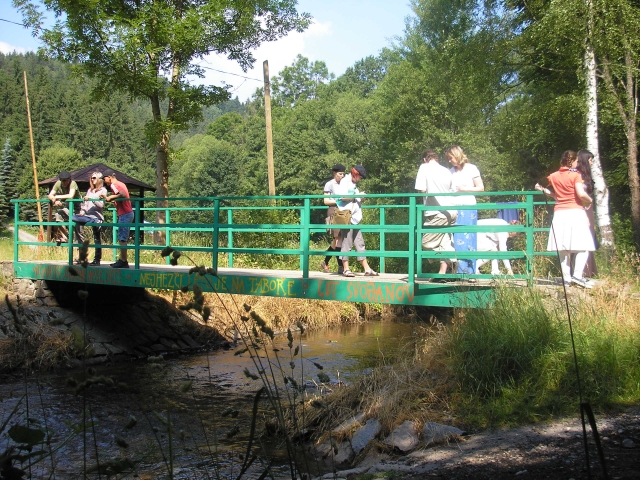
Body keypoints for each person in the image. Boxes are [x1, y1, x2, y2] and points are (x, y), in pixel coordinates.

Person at [535, 150, 595, 288]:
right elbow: (581, 194)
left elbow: (538, 185)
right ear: (572, 161)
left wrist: (553, 195)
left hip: (560, 213)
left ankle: (567, 280)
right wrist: (589, 200)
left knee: (563, 249)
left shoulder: (554, 176)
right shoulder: (575, 175)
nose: (577, 163)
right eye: (576, 161)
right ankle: (578, 276)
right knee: (584, 246)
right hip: (575, 212)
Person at [415, 149, 458, 282]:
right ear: (436, 158)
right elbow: (453, 190)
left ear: (425, 159)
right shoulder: (446, 170)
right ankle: (443, 273)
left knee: (426, 243)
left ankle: (452, 260)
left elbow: (421, 189)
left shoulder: (424, 167)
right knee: (445, 243)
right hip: (452, 211)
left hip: (437, 212)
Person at [445, 145, 484, 277]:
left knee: (469, 239)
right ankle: (458, 272)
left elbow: (481, 188)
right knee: (456, 239)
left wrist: (464, 189)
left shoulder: (472, 168)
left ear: (457, 156)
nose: (449, 161)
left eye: (451, 158)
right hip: (455, 207)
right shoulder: (451, 171)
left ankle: (470, 272)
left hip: (468, 206)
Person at [335, 165, 378, 277]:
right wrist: (356, 196)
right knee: (347, 243)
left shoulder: (353, 184)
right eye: (360, 177)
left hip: (355, 218)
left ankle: (367, 269)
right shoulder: (344, 182)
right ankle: (346, 269)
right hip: (347, 217)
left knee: (360, 243)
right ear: (355, 174)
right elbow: (341, 197)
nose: (360, 179)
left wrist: (361, 197)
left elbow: (355, 198)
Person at [570, 150, 598, 277]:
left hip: (588, 209)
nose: (591, 163)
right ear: (585, 161)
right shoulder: (576, 175)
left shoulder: (586, 176)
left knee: (589, 237)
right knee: (581, 239)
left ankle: (588, 270)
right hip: (581, 208)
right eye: (590, 160)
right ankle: (580, 272)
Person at [72, 172, 107, 266]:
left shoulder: (103, 190)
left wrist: (91, 199)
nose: (92, 179)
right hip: (87, 216)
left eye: (94, 178)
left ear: (99, 179)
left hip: (96, 217)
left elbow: (101, 205)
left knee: (97, 239)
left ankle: (97, 260)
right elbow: (85, 205)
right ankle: (81, 254)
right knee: (73, 218)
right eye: (91, 178)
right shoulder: (89, 190)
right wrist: (82, 211)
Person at [100, 168, 133, 269]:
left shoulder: (114, 185)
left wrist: (110, 197)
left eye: (104, 179)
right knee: (122, 237)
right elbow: (122, 196)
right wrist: (113, 200)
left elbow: (122, 194)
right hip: (127, 213)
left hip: (125, 214)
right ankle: (122, 260)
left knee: (122, 238)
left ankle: (123, 261)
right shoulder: (121, 183)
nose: (104, 181)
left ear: (109, 177)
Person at [320, 163, 346, 274]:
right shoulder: (329, 184)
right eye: (340, 174)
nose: (342, 176)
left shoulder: (344, 183)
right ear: (334, 173)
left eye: (343, 174)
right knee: (338, 239)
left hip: (343, 212)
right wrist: (338, 200)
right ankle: (340, 266)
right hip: (334, 210)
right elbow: (326, 201)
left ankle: (325, 262)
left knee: (338, 239)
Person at [47, 170, 83, 245]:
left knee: (78, 230)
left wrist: (56, 196)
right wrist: (55, 201)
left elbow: (70, 195)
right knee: (58, 215)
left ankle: (80, 247)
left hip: (79, 208)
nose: (64, 182)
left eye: (66, 180)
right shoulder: (58, 183)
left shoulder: (73, 183)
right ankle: (65, 237)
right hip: (69, 207)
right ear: (60, 180)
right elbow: (50, 195)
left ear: (69, 179)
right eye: (63, 181)